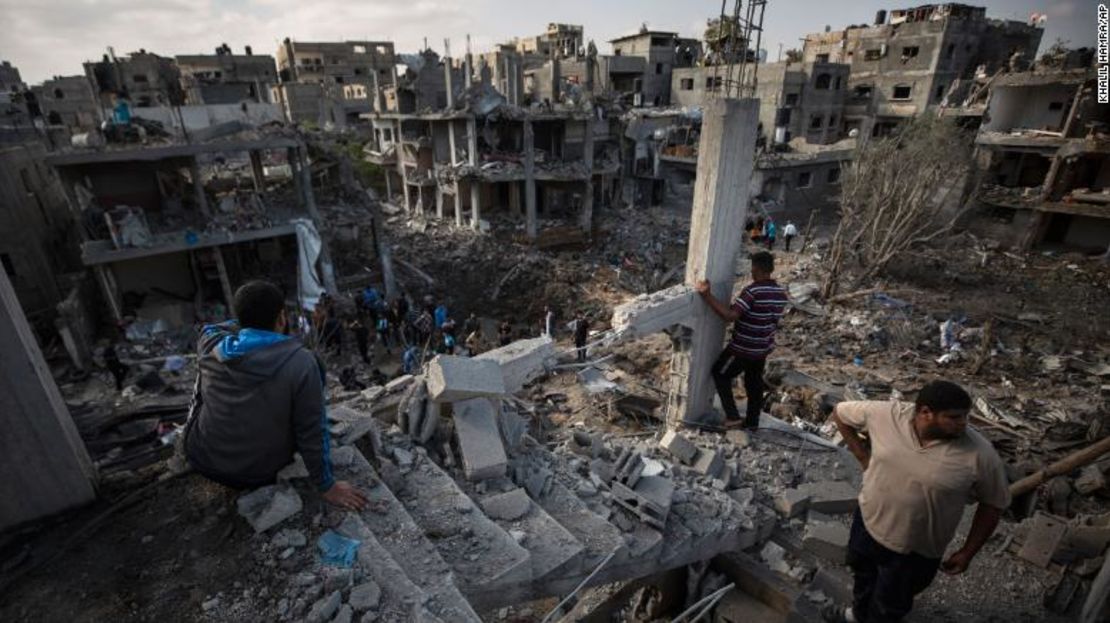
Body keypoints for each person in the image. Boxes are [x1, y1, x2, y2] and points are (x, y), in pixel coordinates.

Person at [824, 381, 1010, 623]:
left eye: (965, 416)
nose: (964, 423)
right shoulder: (886, 415)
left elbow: (992, 505)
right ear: (925, 413)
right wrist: (862, 456)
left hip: (914, 550)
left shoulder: (981, 454)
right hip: (868, 524)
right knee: (863, 578)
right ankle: (857, 615)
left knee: (889, 606)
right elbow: (840, 412)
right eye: (954, 417)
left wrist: (967, 552)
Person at [183, 280, 369, 510]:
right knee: (300, 412)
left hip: (201, 457)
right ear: (282, 318)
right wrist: (326, 485)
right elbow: (311, 430)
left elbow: (212, 328)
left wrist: (244, 322)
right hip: (258, 474)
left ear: (240, 320)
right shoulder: (302, 363)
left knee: (203, 384)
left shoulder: (209, 342)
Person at [695, 251, 788, 429]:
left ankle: (733, 417)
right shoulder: (779, 293)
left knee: (720, 373)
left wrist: (707, 296)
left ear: (756, 268)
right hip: (762, 349)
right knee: (754, 384)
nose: (751, 271)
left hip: (744, 348)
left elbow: (731, 316)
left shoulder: (752, 291)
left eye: (752, 267)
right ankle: (752, 422)